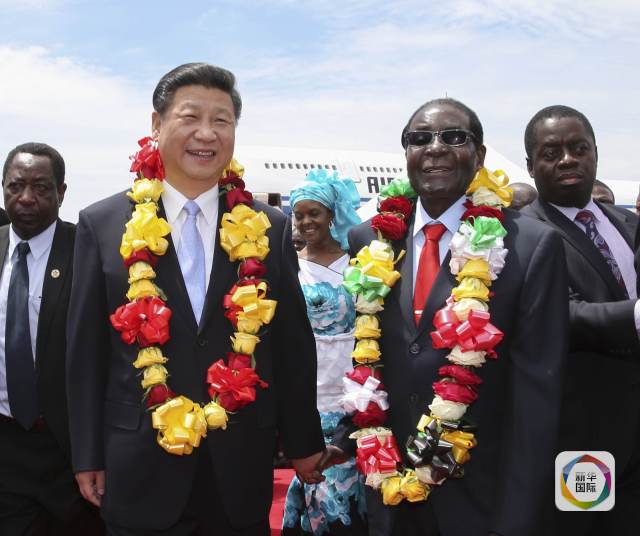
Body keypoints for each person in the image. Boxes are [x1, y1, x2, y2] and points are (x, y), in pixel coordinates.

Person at [66, 63, 325, 535]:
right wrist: (86, 454)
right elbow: (85, 354)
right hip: (137, 464)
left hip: (240, 465)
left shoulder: (269, 227)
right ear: (156, 124)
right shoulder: (101, 224)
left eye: (221, 120)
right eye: (190, 117)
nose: (206, 133)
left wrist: (304, 442)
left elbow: (292, 346)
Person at [323, 98, 568, 536]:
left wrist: (516, 518)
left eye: (454, 137)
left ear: (480, 154)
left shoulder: (530, 245)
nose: (435, 148)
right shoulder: (370, 240)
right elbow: (371, 358)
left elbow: (536, 400)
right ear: (407, 153)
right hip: (389, 492)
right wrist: (346, 437)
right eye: (420, 138)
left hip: (481, 500)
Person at [522, 104, 640, 536]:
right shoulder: (519, 235)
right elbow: (557, 315)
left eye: (579, 148)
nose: (567, 159)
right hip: (580, 436)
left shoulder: (627, 223)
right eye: (551, 152)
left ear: (595, 154)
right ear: (531, 165)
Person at [0, 143, 103, 535]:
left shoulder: (89, 252)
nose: (26, 197)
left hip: (70, 451)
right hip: (6, 446)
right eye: (15, 186)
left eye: (41, 187)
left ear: (61, 192)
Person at [283, 170, 366, 536]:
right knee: (316, 484)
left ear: (331, 214)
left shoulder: (358, 264)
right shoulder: (289, 267)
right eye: (299, 215)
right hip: (308, 387)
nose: (306, 222)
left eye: (314, 213)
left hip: (353, 389)